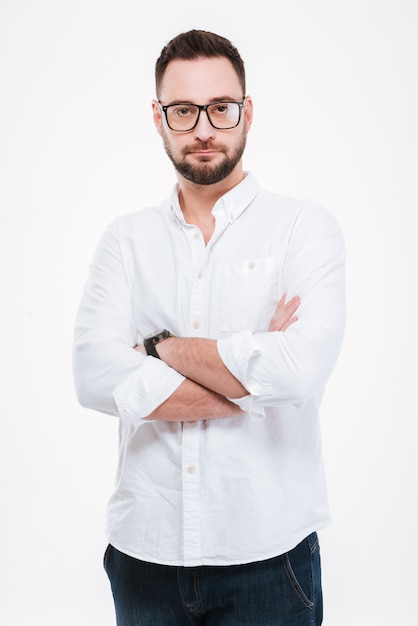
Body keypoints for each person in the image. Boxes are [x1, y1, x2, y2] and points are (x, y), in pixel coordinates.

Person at [73, 29, 345, 626]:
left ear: (247, 111)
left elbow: (298, 372)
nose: (203, 128)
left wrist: (157, 347)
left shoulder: (303, 228)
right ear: (158, 117)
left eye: (221, 108)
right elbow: (92, 375)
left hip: (270, 560)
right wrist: (247, 383)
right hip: (144, 553)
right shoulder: (125, 240)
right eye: (183, 110)